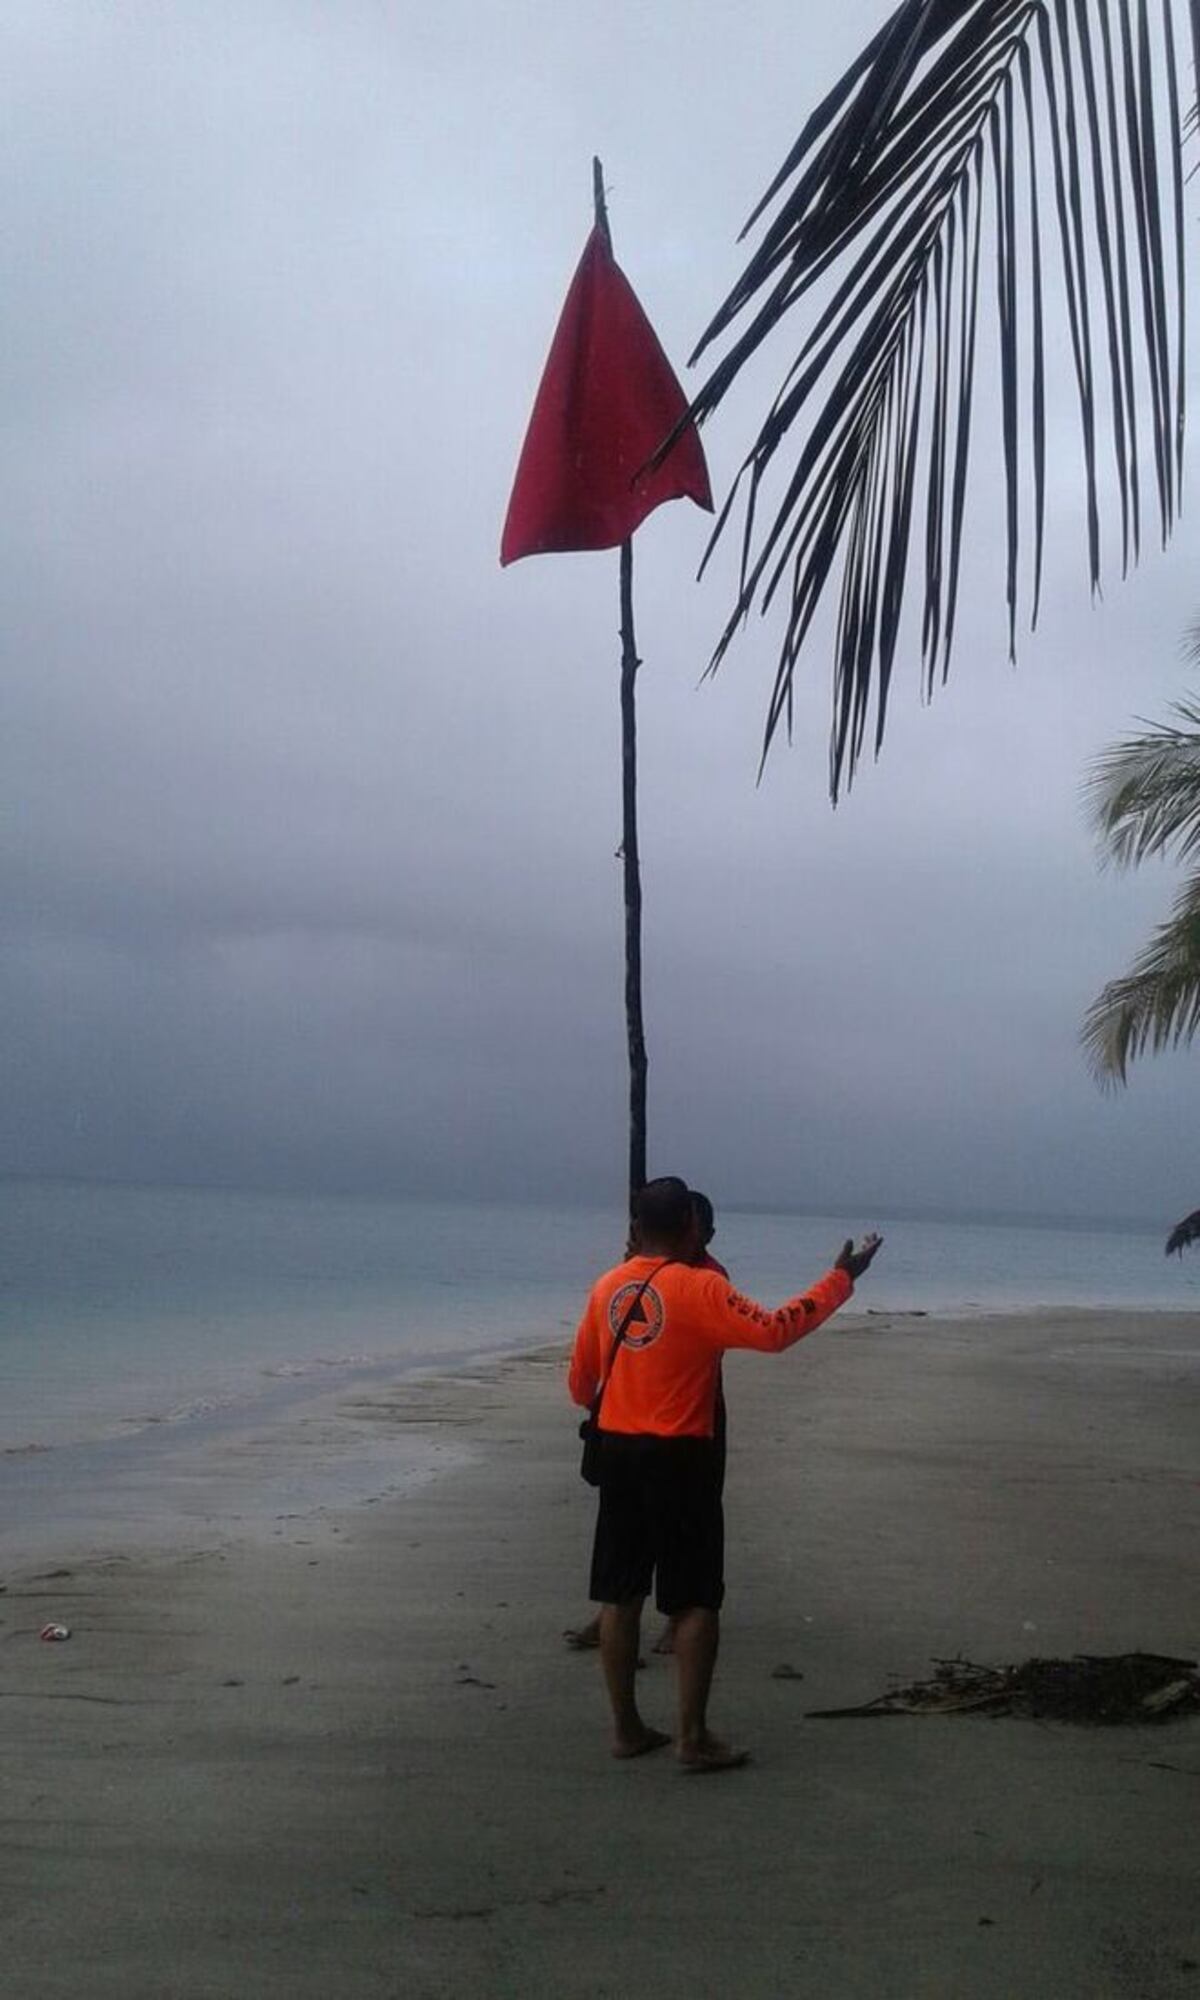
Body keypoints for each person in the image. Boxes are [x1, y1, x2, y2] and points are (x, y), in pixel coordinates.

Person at [568, 1175, 882, 1771]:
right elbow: (774, 1331)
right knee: (693, 1602)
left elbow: (581, 1385)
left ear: (636, 1229)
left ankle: (627, 1729)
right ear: (692, 1225)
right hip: (681, 1459)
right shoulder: (702, 1288)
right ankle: (692, 1738)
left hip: (619, 1457)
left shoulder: (606, 1288)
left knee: (620, 1594)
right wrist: (841, 1279)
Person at [563, 1188, 728, 1658]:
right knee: (633, 1530)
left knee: (682, 1521)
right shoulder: (636, 1278)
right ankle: (618, 1618)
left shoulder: (710, 1277)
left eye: (701, 1230)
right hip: (635, 1418)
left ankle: (675, 1616)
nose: (694, 1236)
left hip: (693, 1413)